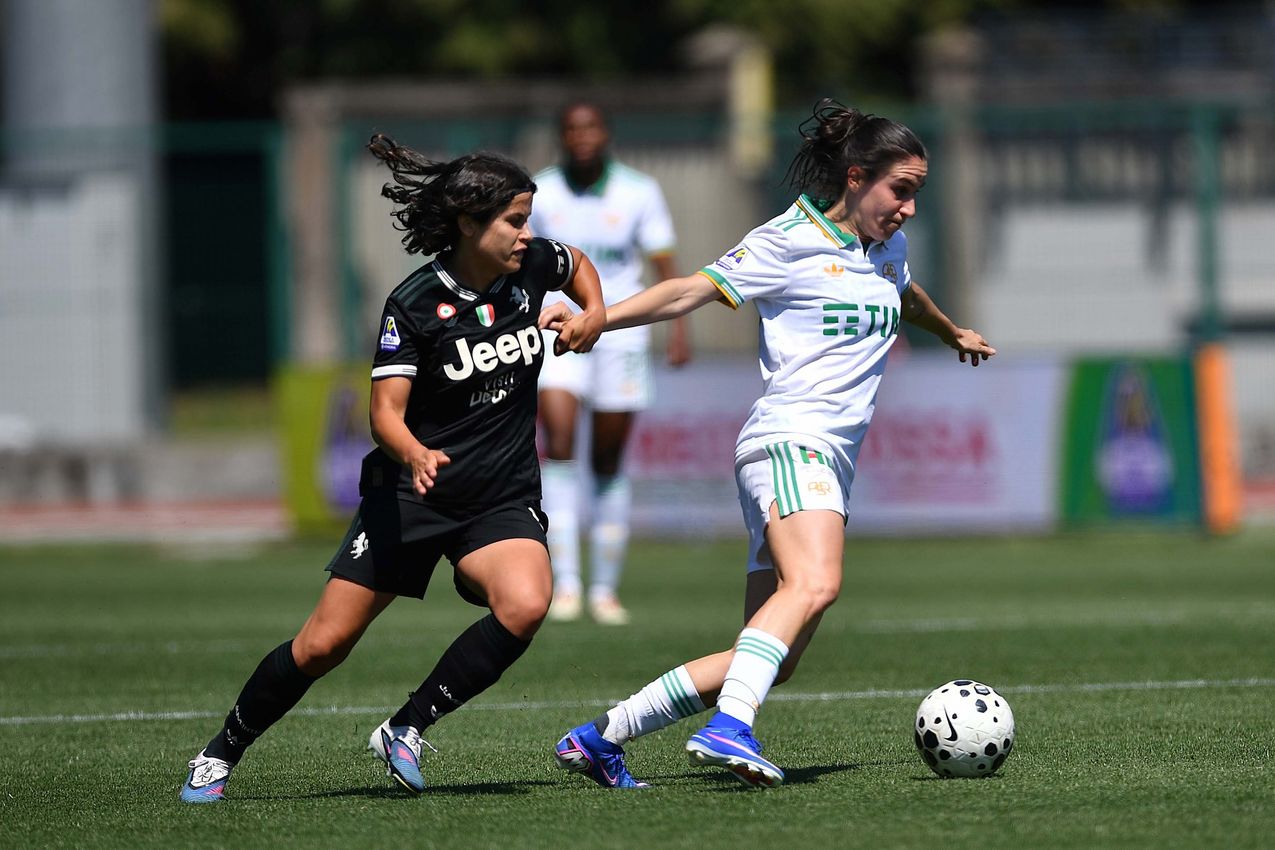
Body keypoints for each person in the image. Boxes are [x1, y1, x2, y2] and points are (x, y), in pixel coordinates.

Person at [544, 99, 996, 789]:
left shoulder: (885, 248)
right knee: (815, 583)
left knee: (771, 652)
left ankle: (600, 738)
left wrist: (951, 331)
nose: (908, 207)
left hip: (823, 461)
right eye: (899, 190)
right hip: (791, 441)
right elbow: (685, 291)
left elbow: (904, 295)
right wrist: (596, 321)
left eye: (916, 193)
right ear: (854, 176)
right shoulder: (788, 239)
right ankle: (730, 727)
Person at [179, 135, 605, 803]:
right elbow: (384, 413)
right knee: (323, 645)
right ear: (469, 224)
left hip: (498, 495)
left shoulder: (532, 265)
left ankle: (406, 726)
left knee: (524, 603)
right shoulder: (413, 305)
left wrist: (595, 313)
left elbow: (577, 263)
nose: (528, 234)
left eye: (527, 219)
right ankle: (221, 751)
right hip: (410, 494)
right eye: (514, 221)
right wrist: (413, 452)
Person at [531, 102, 691, 626]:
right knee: (557, 445)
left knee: (606, 460)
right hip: (557, 329)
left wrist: (679, 329)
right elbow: (519, 259)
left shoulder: (639, 191)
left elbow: (665, 264)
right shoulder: (541, 191)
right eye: (571, 128)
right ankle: (567, 586)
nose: (581, 137)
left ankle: (604, 588)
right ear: (561, 136)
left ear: (606, 134)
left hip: (621, 335)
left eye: (591, 127)